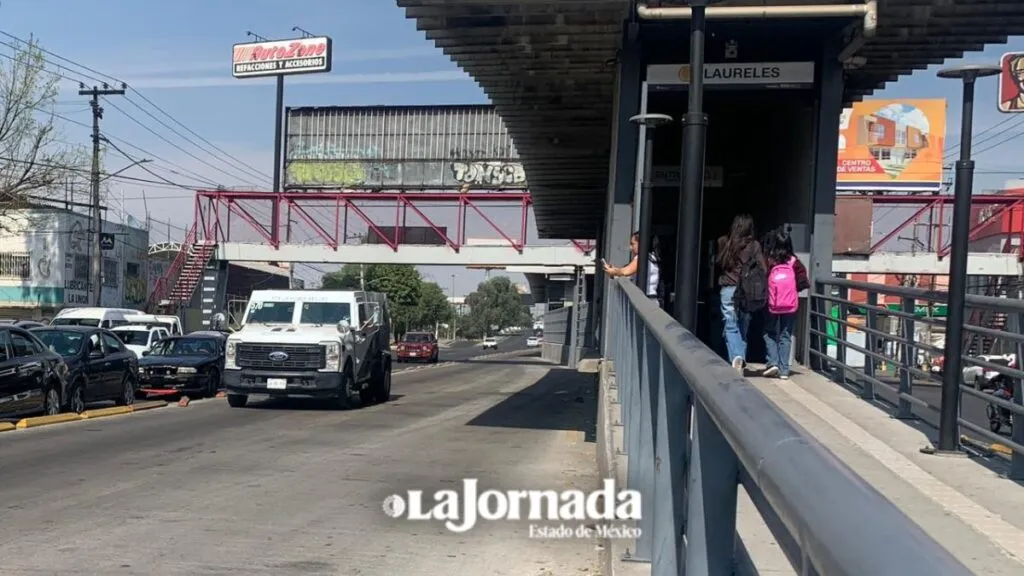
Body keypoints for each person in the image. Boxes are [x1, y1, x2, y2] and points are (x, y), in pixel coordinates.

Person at [716, 214, 764, 373]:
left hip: (728, 288)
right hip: (747, 292)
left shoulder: (725, 242)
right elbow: (762, 268)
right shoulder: (755, 246)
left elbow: (718, 263)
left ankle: (736, 357)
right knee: (743, 327)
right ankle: (739, 361)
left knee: (730, 326)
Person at [761, 227, 809, 379]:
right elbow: (803, 282)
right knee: (785, 335)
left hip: (772, 303)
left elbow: (762, 280)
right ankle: (784, 371)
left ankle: (772, 362)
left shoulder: (769, 261)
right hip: (790, 305)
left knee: (769, 332)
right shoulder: (795, 262)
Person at [603, 231, 661, 304]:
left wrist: (613, 271)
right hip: (649, 299)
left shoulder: (642, 258)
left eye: (632, 244)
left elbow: (625, 272)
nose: (631, 248)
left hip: (646, 300)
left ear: (641, 244)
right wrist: (613, 271)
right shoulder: (650, 257)